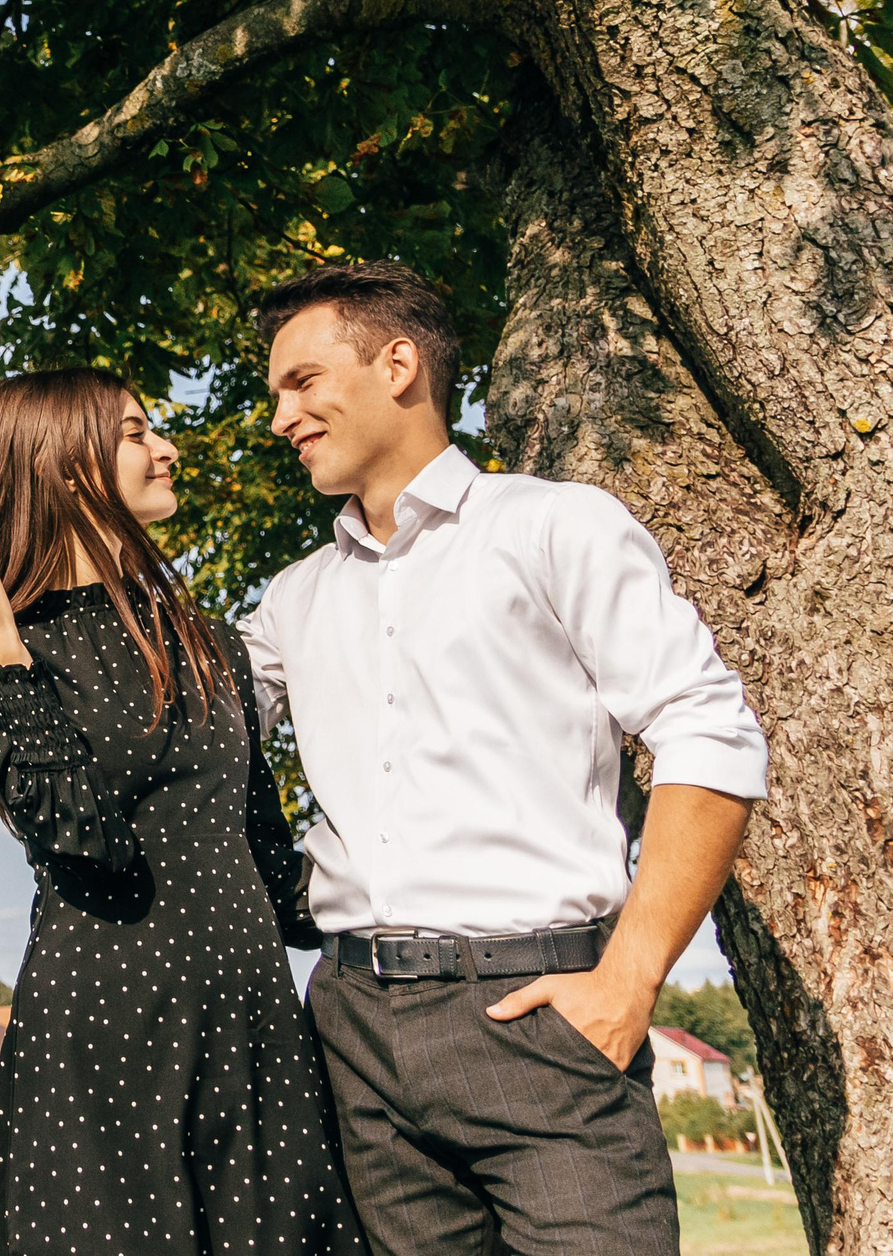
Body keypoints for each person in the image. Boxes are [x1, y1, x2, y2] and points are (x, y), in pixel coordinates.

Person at [244, 260, 768, 1255]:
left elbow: (709, 731)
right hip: (352, 1032)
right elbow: (171, 729)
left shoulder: (553, 528)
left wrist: (629, 981)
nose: (280, 416)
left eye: (300, 382)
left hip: (536, 1018)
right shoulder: (290, 600)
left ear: (397, 364)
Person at [0, 369, 365, 1256]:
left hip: (256, 1035)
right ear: (66, 464)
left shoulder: (206, 638)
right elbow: (89, 847)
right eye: (137, 432)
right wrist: (1, 657)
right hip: (107, 1044)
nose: (167, 448)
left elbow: (272, 862)